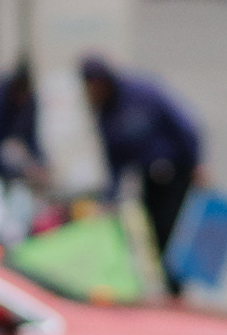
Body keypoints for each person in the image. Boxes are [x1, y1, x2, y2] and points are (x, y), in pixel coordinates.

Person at [80, 59, 205, 286]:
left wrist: (197, 162)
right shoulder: (106, 114)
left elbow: (183, 125)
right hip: (149, 178)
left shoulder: (143, 94)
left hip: (175, 171)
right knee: (153, 236)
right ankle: (170, 288)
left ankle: (178, 288)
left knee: (175, 235)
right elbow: (115, 161)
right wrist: (109, 198)